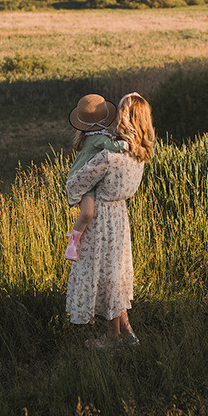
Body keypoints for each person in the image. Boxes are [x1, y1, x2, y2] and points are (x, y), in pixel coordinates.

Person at [65, 92, 154, 349]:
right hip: (120, 218)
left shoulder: (107, 157)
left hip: (100, 221)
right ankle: (126, 330)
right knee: (115, 273)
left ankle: (112, 338)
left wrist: (77, 190)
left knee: (105, 276)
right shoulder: (140, 155)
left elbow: (76, 183)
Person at [64, 93, 130, 261]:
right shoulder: (97, 138)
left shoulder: (93, 136)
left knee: (90, 212)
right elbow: (114, 147)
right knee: (87, 212)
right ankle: (72, 244)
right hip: (82, 178)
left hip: (88, 179)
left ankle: (76, 239)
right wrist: (129, 143)